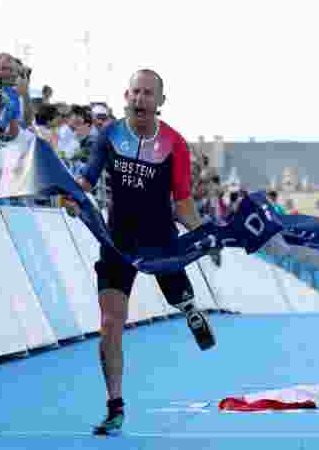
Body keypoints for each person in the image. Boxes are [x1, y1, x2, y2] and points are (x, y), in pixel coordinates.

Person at [66, 69, 215, 436]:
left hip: (159, 237)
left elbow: (182, 203)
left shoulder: (175, 145)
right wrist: (71, 195)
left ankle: (189, 309)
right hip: (116, 240)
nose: (140, 99)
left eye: (148, 93)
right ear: (125, 96)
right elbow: (86, 181)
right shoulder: (110, 134)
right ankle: (115, 406)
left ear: (161, 102)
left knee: (175, 289)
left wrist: (202, 236)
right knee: (110, 323)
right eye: (135, 92)